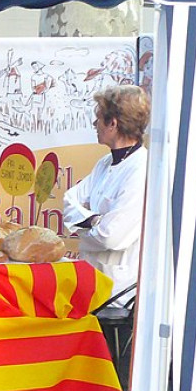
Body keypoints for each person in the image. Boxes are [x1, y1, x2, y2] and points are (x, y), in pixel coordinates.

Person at [63, 85, 150, 305]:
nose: (95, 125)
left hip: (118, 294)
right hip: (91, 283)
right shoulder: (105, 163)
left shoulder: (140, 170)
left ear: (113, 123)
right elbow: (69, 200)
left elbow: (112, 237)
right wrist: (93, 220)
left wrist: (81, 225)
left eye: (98, 118)